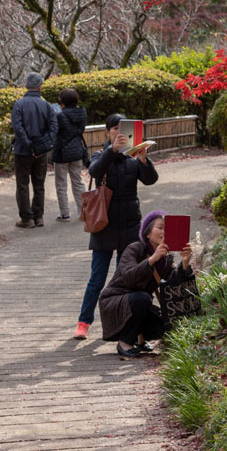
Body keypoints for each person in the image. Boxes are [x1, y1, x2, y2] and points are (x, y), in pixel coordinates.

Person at [73, 112, 159, 339]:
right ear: (107, 132)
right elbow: (94, 171)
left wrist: (143, 159)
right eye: (115, 129)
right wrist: (112, 151)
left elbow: (150, 179)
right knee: (97, 278)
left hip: (131, 225)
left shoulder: (133, 158)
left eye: (124, 129)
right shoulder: (101, 154)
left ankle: (122, 325)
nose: (120, 134)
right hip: (104, 224)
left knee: (126, 278)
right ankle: (84, 322)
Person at [99, 210, 193, 359]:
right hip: (115, 301)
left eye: (167, 228)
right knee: (143, 298)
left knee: (165, 327)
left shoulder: (167, 257)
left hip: (140, 304)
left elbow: (172, 285)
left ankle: (140, 339)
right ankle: (125, 342)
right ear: (147, 233)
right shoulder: (135, 249)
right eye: (160, 227)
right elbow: (128, 277)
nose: (164, 232)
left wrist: (185, 263)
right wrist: (152, 259)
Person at [11, 71, 58, 229]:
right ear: (40, 87)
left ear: (26, 86)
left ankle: (27, 219)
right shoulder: (47, 105)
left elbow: (18, 128)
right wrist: (42, 145)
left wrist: (28, 145)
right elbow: (53, 128)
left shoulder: (19, 104)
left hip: (22, 152)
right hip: (41, 152)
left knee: (22, 185)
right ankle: (39, 217)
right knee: (39, 184)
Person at [52, 88, 89, 221]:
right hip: (77, 151)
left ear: (63, 101)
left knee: (61, 184)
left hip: (62, 152)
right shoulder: (82, 112)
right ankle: (83, 213)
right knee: (78, 182)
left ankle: (65, 214)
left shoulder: (60, 115)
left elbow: (56, 132)